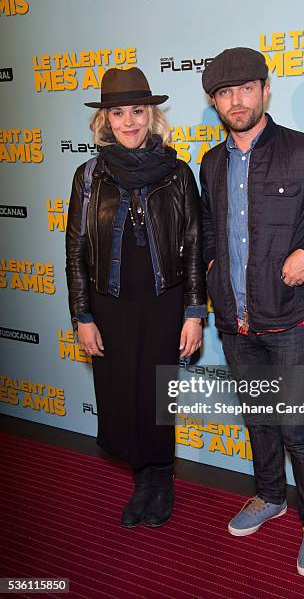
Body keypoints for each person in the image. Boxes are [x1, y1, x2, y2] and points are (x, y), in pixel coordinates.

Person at [200, 47, 304, 576]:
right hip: (235, 320)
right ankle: (269, 496)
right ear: (215, 103)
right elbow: (209, 229)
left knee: (295, 425)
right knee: (259, 420)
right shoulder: (211, 162)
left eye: (245, 88)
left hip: (290, 317)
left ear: (265, 90)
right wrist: (209, 271)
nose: (235, 100)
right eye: (224, 93)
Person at [66, 67, 206, 529]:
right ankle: (141, 480)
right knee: (122, 397)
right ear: (105, 119)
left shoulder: (179, 174)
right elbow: (76, 251)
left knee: (157, 397)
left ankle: (161, 479)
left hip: (164, 304)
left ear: (152, 115)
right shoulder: (88, 177)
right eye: (119, 112)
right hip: (110, 305)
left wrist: (193, 313)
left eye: (138, 111)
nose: (129, 121)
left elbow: (193, 247)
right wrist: (82, 315)